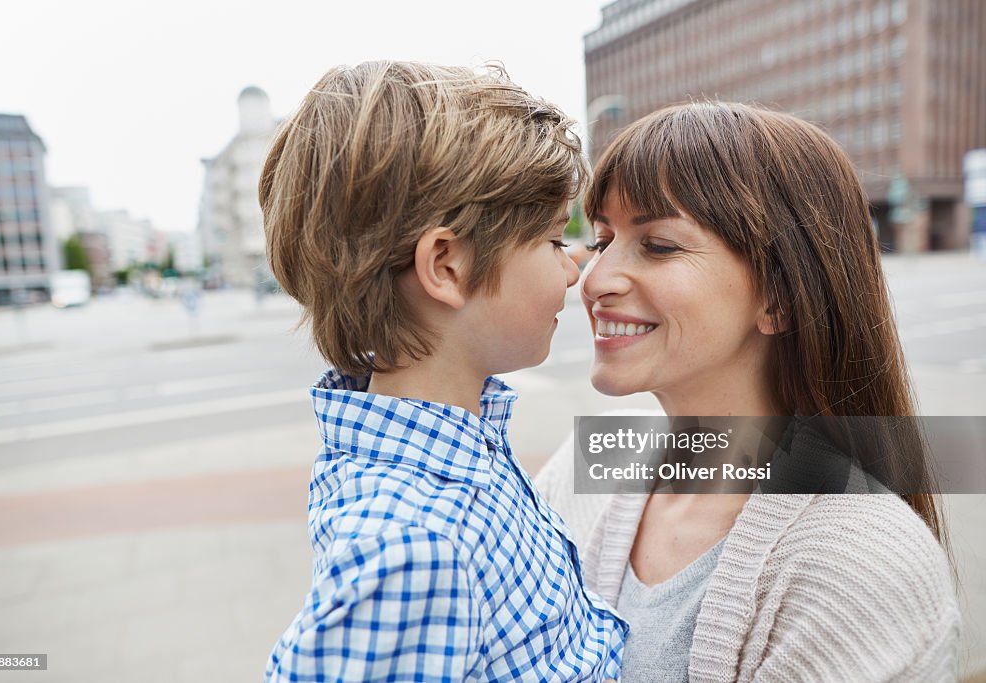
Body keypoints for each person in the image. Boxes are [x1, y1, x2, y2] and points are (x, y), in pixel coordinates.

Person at [535, 102, 961, 682]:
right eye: (604, 239)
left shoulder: (864, 564)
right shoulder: (588, 465)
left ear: (779, 298)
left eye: (658, 245)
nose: (594, 280)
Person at [259, 61, 626, 681]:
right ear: (447, 266)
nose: (574, 272)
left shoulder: (457, 448)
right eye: (552, 241)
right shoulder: (412, 549)